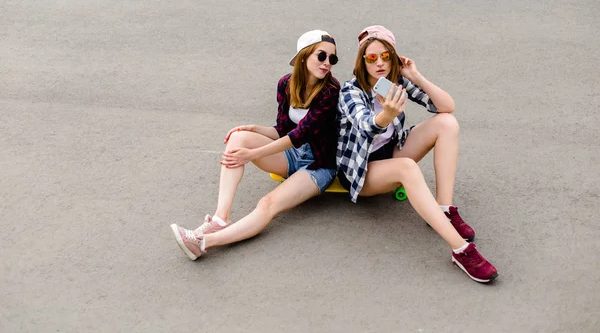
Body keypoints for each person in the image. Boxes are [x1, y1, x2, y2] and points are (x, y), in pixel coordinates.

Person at [336, 25, 498, 283]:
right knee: (407, 167)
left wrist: (415, 75)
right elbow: (366, 125)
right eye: (371, 57)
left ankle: (444, 208)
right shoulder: (350, 91)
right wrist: (386, 114)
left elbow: (446, 106)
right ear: (362, 60)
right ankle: (461, 250)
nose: (379, 63)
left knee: (447, 123)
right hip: (362, 170)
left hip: (391, 151)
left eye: (386, 56)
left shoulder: (394, 83)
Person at [170, 30, 340, 260]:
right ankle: (221, 218)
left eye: (333, 58)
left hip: (318, 165)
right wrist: (252, 128)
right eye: (322, 56)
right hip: (290, 153)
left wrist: (253, 154)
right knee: (237, 137)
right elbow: (282, 130)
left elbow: (301, 134)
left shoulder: (331, 90)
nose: (327, 63)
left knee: (267, 203)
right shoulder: (286, 84)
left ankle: (204, 242)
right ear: (304, 56)